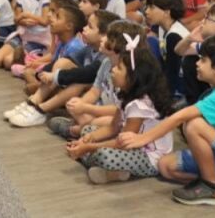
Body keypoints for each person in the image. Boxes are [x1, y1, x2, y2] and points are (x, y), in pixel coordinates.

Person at [121, 35, 215, 206]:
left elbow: (181, 116)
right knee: (165, 166)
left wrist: (143, 138)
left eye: (203, 60)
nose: (197, 63)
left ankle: (212, 187)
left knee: (194, 124)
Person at [67, 47, 174, 185]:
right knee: (87, 130)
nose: (113, 70)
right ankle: (113, 171)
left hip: (149, 157)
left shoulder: (139, 105)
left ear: (133, 76)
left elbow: (123, 144)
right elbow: (112, 127)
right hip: (128, 145)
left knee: (104, 155)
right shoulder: (125, 94)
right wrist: (88, 139)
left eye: (119, 68)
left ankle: (98, 162)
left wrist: (88, 147)